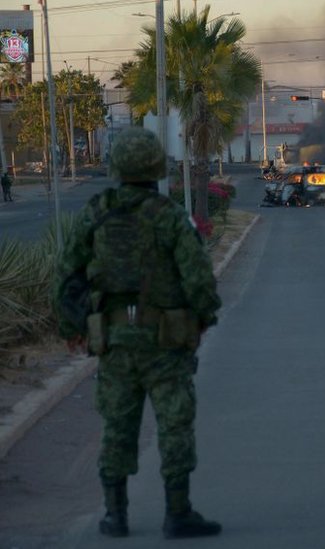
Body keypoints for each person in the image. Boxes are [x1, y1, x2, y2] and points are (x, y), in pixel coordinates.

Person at [53, 127, 222, 539]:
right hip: (165, 343)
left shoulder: (97, 211)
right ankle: (177, 513)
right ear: (154, 168)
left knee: (117, 426)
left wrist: (72, 327)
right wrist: (203, 318)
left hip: (113, 343)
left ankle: (115, 515)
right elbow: (197, 276)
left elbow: (67, 273)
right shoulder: (168, 216)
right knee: (175, 424)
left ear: (116, 168)